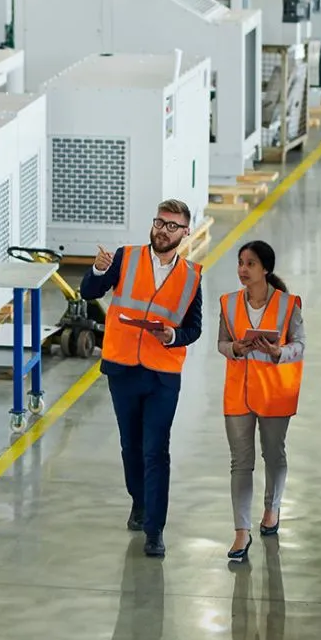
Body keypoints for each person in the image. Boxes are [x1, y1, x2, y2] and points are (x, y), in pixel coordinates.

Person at [80, 199, 204, 559]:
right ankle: (138, 500)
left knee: (156, 450)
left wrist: (173, 337)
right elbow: (89, 293)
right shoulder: (126, 257)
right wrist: (98, 270)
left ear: (184, 233)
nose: (162, 230)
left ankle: (155, 528)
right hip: (123, 369)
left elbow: (193, 328)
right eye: (159, 222)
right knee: (130, 446)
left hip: (163, 375)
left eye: (171, 226)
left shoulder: (192, 276)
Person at [218, 240, 305, 563]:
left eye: (250, 263)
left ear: (265, 269)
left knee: (273, 453)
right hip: (238, 391)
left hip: (273, 391)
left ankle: (272, 507)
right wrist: (236, 349)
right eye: (241, 262)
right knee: (240, 462)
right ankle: (241, 530)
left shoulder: (287, 304)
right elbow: (221, 343)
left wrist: (279, 352)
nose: (243, 269)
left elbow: (301, 345)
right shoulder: (228, 303)